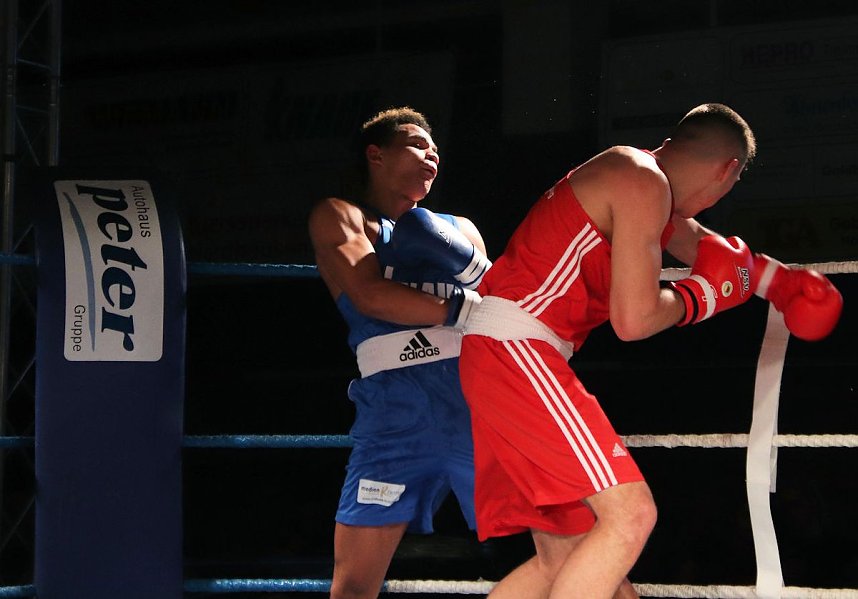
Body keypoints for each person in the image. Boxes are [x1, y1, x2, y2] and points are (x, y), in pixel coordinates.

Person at [457, 103, 843, 599]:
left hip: (505, 354)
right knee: (631, 514)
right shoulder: (643, 183)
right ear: (729, 171)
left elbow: (710, 249)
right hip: (518, 350)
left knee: (566, 560)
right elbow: (634, 320)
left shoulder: (638, 178)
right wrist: (700, 298)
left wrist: (782, 284)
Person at [307, 106, 491, 599]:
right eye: (417, 144)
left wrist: (479, 307)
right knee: (353, 585)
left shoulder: (462, 229)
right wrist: (464, 310)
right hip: (393, 417)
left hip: (477, 406)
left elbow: (502, 300)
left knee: (565, 548)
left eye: (436, 149)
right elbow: (370, 296)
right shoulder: (339, 215)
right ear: (377, 155)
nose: (432, 155)